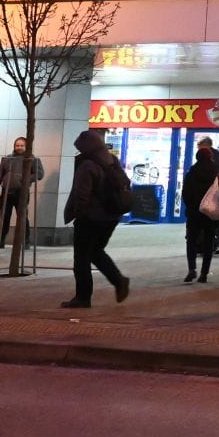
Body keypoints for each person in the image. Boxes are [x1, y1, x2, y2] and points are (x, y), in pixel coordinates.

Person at [61, 130, 131, 308]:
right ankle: (119, 280)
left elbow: (81, 194)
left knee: (82, 258)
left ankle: (83, 297)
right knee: (96, 251)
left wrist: (79, 214)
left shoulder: (88, 165)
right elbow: (125, 183)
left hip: (90, 218)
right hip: (111, 217)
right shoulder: (112, 161)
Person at [181, 146, 219, 283]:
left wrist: (191, 206)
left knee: (191, 240)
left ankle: (192, 269)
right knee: (209, 240)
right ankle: (204, 273)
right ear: (210, 157)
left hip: (195, 212)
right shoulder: (217, 172)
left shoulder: (192, 172)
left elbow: (185, 193)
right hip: (211, 211)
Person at [0, 137, 44, 251]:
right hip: (6, 192)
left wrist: (26, 179)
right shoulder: (7, 159)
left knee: (22, 218)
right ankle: (0, 241)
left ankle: (25, 241)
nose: (19, 147)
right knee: (4, 218)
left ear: (26, 146)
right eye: (17, 145)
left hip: (21, 192)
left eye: (21, 145)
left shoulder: (31, 159)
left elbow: (40, 173)